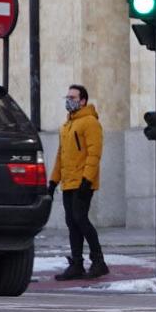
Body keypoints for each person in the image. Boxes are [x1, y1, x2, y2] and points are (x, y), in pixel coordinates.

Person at [49, 85, 108, 281]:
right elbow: (61, 157)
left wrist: (87, 179)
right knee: (72, 222)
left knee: (80, 219)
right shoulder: (66, 126)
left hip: (83, 182)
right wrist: (53, 182)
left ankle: (98, 261)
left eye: (72, 97)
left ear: (83, 100)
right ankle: (76, 264)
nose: (69, 100)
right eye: (67, 96)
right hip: (68, 182)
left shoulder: (90, 122)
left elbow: (94, 153)